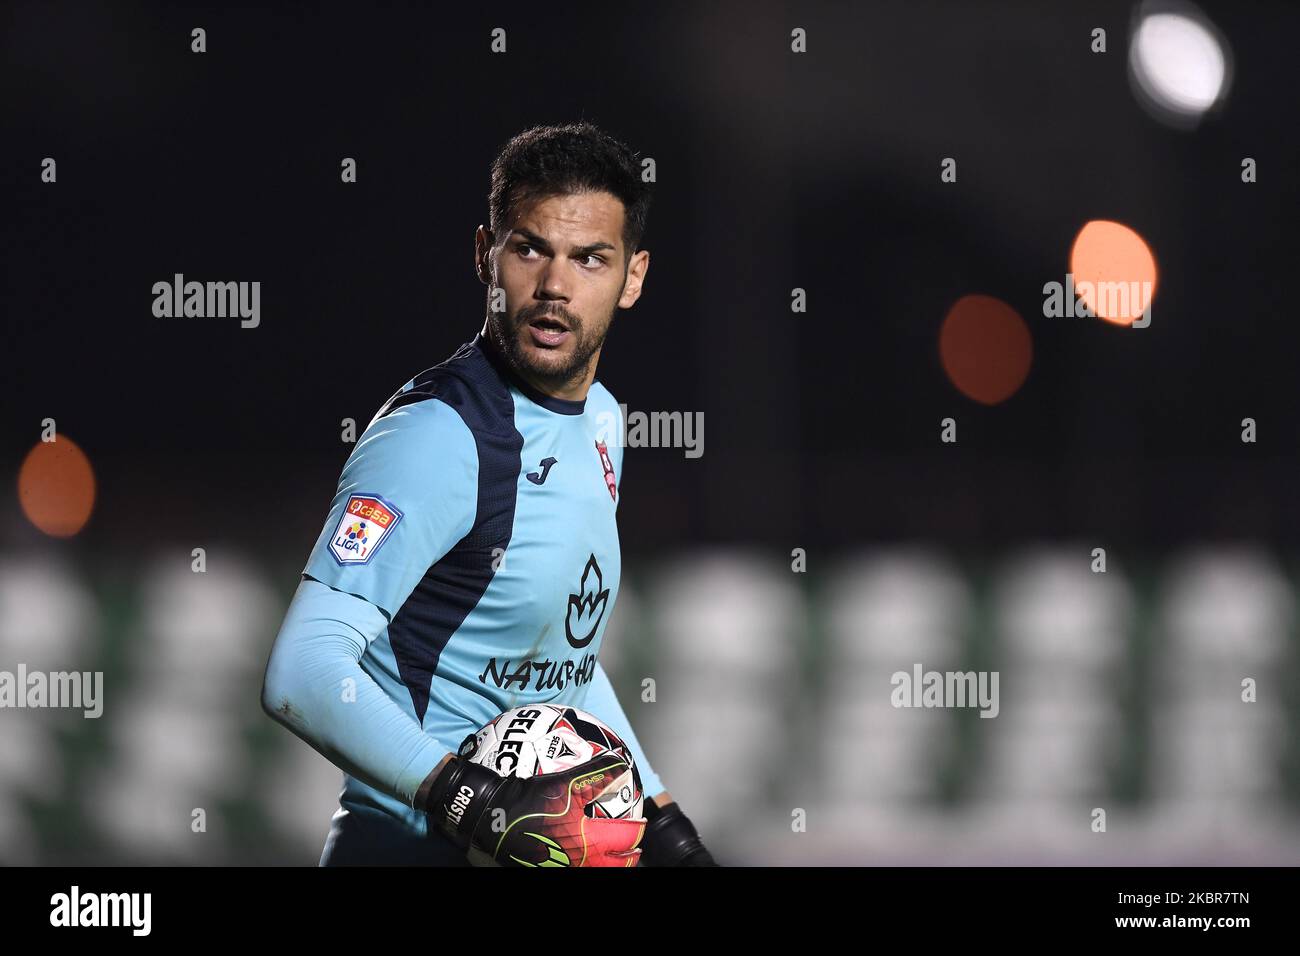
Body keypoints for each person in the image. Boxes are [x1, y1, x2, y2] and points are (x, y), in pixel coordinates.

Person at [261, 122, 715, 867]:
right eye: (529, 248)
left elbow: (555, 665)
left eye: (590, 259)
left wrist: (663, 823)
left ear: (633, 277)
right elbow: (302, 671)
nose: (554, 287)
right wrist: (464, 798)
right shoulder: (437, 436)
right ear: (486, 254)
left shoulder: (602, 422)